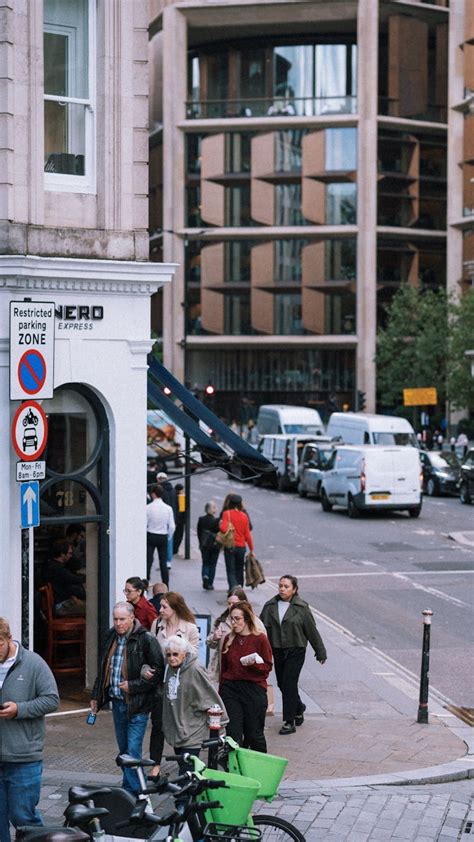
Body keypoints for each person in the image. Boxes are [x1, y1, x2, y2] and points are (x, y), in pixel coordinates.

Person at [90, 601, 163, 795]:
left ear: (132, 618)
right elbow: (103, 668)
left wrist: (133, 686)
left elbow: (158, 673)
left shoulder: (146, 639)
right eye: (115, 619)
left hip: (138, 704)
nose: (118, 623)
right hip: (117, 702)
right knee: (124, 752)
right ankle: (128, 790)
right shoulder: (110, 636)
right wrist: (97, 695)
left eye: (122, 619)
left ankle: (137, 794)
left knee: (132, 752)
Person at [0, 617, 59, 840]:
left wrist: (19, 709)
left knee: (23, 819)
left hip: (23, 756)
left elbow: (52, 699)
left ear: (7, 639)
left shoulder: (33, 663)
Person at [260, 575, 327, 736]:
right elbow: (260, 629)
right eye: (280, 586)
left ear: (294, 589)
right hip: (277, 650)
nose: (282, 589)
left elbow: (311, 631)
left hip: (296, 649)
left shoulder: (302, 608)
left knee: (289, 683)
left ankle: (289, 721)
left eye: (286, 586)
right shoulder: (270, 606)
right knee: (283, 684)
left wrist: (320, 652)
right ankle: (299, 708)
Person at [146, 593, 200, 780]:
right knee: (158, 723)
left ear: (175, 608)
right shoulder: (156, 625)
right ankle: (155, 764)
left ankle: (183, 764)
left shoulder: (190, 629)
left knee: (178, 723)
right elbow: (150, 654)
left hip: (181, 684)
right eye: (160, 606)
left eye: (164, 607)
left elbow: (193, 657)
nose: (160, 610)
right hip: (160, 682)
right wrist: (147, 669)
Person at [161, 635, 228, 769]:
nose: (171, 658)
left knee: (188, 773)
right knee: (184, 767)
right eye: (168, 655)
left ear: (184, 654)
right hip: (176, 728)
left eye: (175, 654)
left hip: (192, 729)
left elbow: (211, 697)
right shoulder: (169, 668)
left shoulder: (195, 669)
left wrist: (220, 726)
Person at [219, 601, 272, 753]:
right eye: (232, 619)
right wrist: (220, 691)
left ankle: (259, 768)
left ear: (247, 619)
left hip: (254, 689)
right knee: (233, 735)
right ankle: (235, 770)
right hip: (231, 690)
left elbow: (267, 668)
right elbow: (224, 669)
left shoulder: (260, 639)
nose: (233, 623)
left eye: (237, 619)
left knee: (254, 734)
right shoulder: (229, 639)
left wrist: (253, 664)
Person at [206, 587, 266, 684]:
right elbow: (209, 644)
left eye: (234, 603)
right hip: (225, 670)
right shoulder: (222, 621)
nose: (231, 606)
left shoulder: (256, 623)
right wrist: (214, 638)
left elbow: (264, 648)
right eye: (229, 603)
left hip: (247, 672)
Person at [219, 494, 254, 590]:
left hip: (230, 546)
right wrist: (251, 549)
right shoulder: (244, 516)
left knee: (230, 570)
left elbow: (223, 528)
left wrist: (221, 523)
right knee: (239, 569)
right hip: (241, 547)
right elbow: (247, 534)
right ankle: (239, 589)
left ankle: (233, 588)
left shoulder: (227, 514)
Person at [45, 539, 86, 616]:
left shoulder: (52, 566)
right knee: (93, 608)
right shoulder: (58, 569)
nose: (71, 556)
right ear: (62, 554)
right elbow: (74, 579)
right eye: (69, 553)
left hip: (59, 603)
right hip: (61, 607)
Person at [146, 485, 175, 583]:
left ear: (153, 494)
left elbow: (144, 524)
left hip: (151, 534)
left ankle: (146, 580)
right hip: (162, 535)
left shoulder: (148, 508)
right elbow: (172, 526)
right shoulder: (168, 508)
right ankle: (165, 583)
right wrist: (168, 536)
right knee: (163, 562)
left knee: (149, 560)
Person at [197, 501, 220, 590]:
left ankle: (205, 576)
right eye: (214, 507)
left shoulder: (201, 519)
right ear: (209, 509)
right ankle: (210, 583)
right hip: (214, 545)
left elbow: (199, 533)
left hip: (204, 545)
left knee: (205, 563)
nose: (216, 509)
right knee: (213, 564)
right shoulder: (216, 521)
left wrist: (200, 543)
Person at [173, 484, 186, 556]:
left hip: (175, 519)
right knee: (179, 536)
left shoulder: (173, 495)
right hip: (180, 521)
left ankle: (174, 549)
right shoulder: (181, 497)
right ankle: (175, 549)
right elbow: (182, 510)